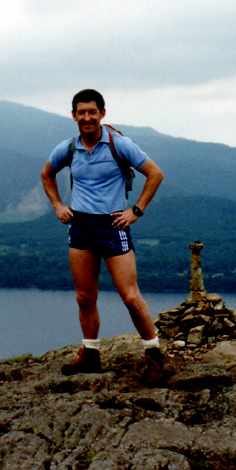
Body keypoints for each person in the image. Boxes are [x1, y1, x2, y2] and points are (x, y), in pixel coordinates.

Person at [40, 89, 166, 385]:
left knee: (130, 297)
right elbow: (47, 174)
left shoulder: (118, 144)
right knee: (84, 297)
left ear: (102, 113)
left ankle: (153, 355)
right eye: (81, 112)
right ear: (74, 115)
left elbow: (155, 173)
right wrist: (58, 205)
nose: (86, 117)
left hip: (112, 226)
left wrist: (136, 210)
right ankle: (91, 354)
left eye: (91, 112)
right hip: (81, 226)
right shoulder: (69, 148)